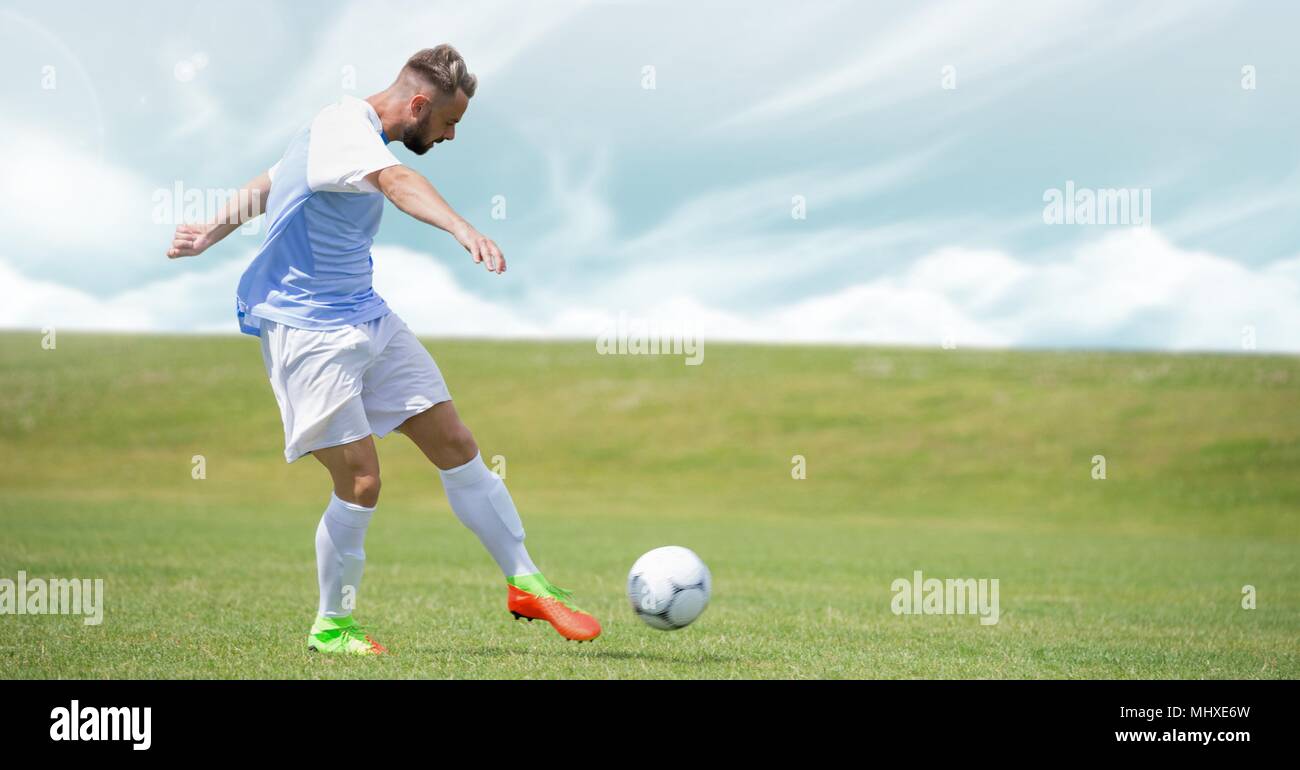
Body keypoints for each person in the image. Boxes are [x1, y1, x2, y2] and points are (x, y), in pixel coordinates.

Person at [166, 44, 600, 653]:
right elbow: (398, 182)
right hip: (310, 332)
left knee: (455, 442)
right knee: (362, 481)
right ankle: (332, 625)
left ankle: (526, 581)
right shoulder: (349, 134)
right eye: (449, 123)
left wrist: (210, 231)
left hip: (368, 316)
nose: (450, 137)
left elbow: (274, 177)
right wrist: (461, 227)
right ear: (419, 104)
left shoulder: (339, 128)